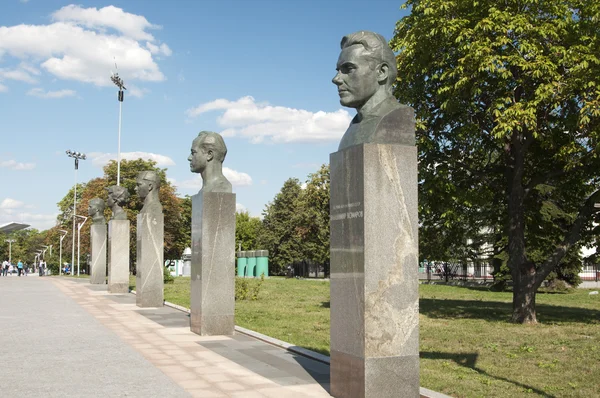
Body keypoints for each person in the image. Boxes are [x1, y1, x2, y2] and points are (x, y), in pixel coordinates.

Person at [332, 31, 415, 151]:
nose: (336, 79)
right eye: (338, 70)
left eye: (348, 68)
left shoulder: (396, 119)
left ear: (381, 72)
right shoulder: (352, 129)